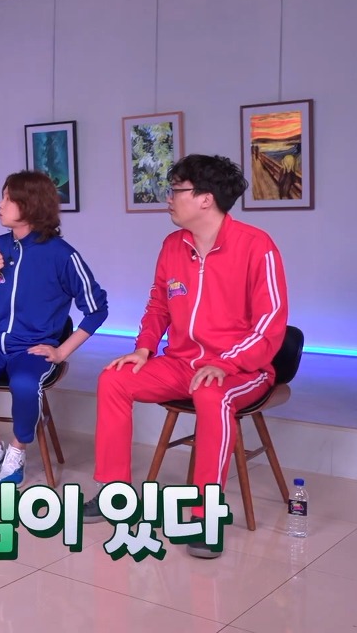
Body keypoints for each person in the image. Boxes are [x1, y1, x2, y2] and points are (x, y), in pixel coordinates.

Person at [87, 154, 288, 559]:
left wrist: (225, 363)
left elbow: (270, 324)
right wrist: (144, 347)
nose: (169, 198)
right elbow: (159, 303)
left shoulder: (257, 246)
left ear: (205, 199)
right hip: (181, 363)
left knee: (212, 395)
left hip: (241, 369)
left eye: (176, 190)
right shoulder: (173, 245)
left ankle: (205, 515)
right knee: (114, 379)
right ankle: (114, 492)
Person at [0, 171, 108, 486]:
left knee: (25, 384)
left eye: (8, 198)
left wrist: (62, 351)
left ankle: (17, 450)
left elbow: (97, 308)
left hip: (32, 348)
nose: (0, 205)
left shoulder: (62, 255)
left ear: (30, 205)